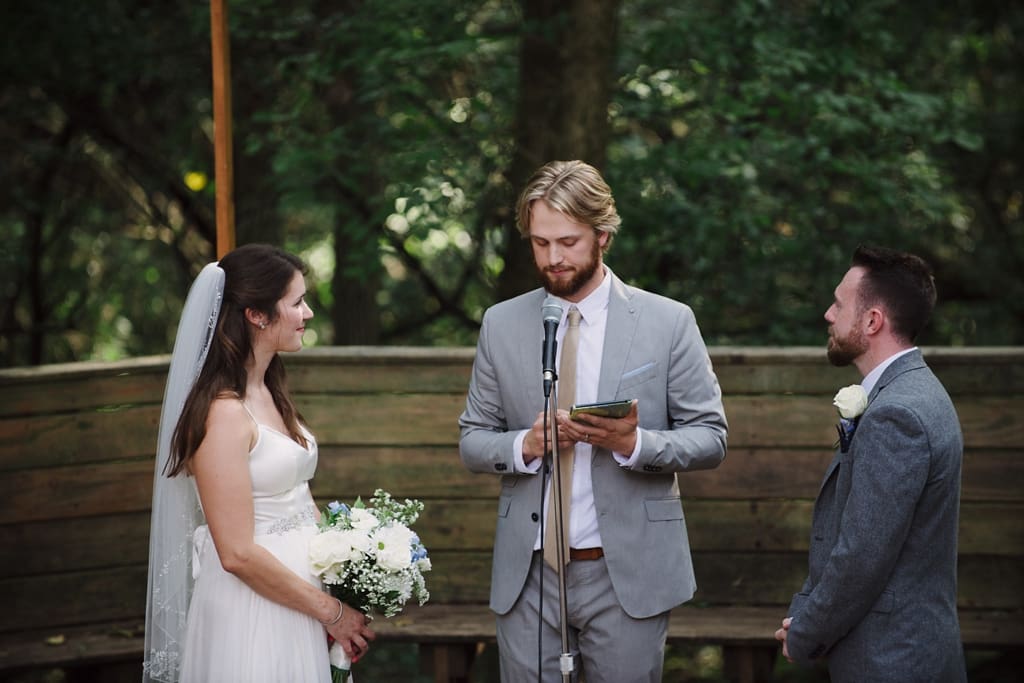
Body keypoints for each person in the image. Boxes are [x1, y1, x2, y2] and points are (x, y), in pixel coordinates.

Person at [459, 160, 728, 682]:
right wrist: (525, 445)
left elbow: (711, 437)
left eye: (568, 242)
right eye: (540, 244)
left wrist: (634, 443)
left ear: (603, 236)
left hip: (625, 570)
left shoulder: (669, 321)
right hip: (529, 574)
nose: (553, 258)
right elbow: (473, 439)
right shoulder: (501, 323)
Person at [142, 244, 374, 683]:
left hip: (301, 599)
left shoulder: (269, 389)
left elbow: (296, 499)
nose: (307, 314)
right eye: (297, 302)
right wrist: (332, 612)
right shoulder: (223, 413)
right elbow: (237, 554)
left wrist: (353, 564)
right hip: (255, 609)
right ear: (257, 315)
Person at [775, 245, 966, 682]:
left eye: (839, 304)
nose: (828, 314)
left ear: (872, 321)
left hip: (893, 659)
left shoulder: (896, 415)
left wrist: (805, 632)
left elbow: (862, 555)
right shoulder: (915, 391)